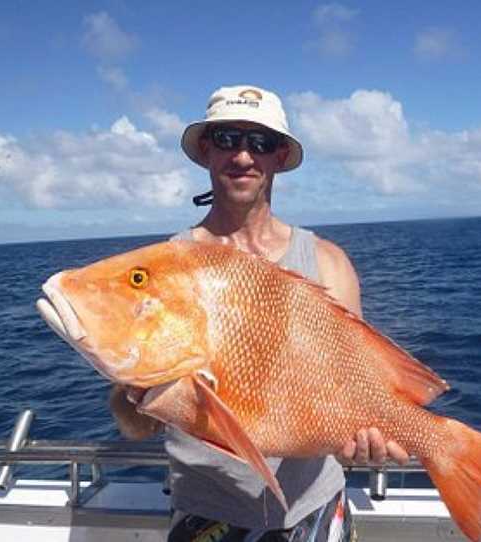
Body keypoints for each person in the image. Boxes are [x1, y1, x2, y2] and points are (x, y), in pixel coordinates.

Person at [109, 84, 409, 541]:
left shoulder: (328, 262)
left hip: (317, 508)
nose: (244, 156)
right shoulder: (163, 270)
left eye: (261, 142)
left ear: (280, 156)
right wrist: (135, 397)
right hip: (206, 515)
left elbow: (359, 389)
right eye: (228, 138)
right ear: (206, 149)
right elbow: (133, 427)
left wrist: (367, 444)